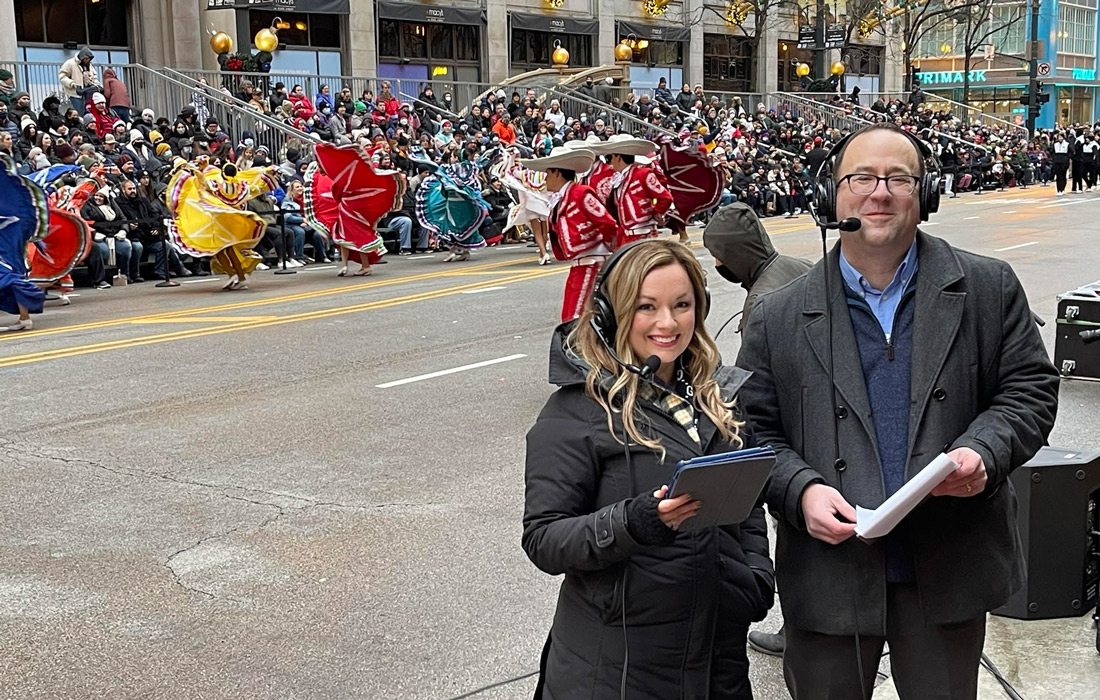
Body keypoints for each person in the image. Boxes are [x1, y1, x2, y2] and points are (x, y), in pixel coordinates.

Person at [735, 124, 1060, 699]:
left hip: (947, 567)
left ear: (925, 193)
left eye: (898, 179)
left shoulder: (988, 287)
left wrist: (984, 453)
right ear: (829, 195)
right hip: (829, 577)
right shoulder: (777, 315)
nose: (878, 193)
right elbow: (752, 432)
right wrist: (801, 491)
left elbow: (1028, 390)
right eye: (861, 177)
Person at [523, 238, 774, 699]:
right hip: (618, 671)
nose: (668, 323)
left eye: (682, 305)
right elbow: (544, 539)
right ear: (611, 314)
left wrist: (753, 575)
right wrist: (632, 522)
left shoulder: (716, 397)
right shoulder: (575, 413)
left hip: (717, 662)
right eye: (646, 307)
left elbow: (748, 500)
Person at [519, 146, 617, 322]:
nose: (545, 179)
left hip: (591, 263)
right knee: (574, 315)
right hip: (579, 263)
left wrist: (606, 253)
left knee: (575, 317)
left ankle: (580, 348)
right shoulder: (562, 197)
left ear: (557, 173)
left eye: (548, 174)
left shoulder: (580, 193)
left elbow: (607, 223)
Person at [594, 135, 674, 249]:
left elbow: (665, 197)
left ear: (618, 157)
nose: (610, 162)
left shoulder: (643, 174)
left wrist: (656, 213)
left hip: (644, 234)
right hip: (626, 236)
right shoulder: (618, 178)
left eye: (610, 158)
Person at [58, 46, 99, 114]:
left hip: (88, 93)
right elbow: (62, 76)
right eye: (86, 58)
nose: (87, 60)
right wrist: (72, 83)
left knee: (89, 113)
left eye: (89, 59)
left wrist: (96, 84)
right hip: (75, 94)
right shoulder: (70, 63)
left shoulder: (89, 65)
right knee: (80, 113)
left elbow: (94, 76)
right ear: (81, 57)